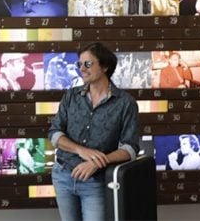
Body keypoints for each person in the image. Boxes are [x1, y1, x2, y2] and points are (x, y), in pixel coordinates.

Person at [48, 42, 140, 221]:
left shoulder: (125, 103)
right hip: (63, 175)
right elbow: (55, 133)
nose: (82, 69)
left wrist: (98, 162)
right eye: (80, 64)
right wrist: (81, 150)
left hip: (96, 181)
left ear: (105, 66)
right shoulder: (71, 96)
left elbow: (130, 148)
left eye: (88, 64)